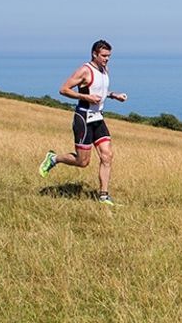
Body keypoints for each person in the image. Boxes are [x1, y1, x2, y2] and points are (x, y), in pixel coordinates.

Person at [39, 39, 128, 205]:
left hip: (98, 118)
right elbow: (63, 89)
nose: (107, 59)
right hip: (83, 118)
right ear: (94, 54)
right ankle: (54, 158)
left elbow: (99, 89)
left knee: (107, 156)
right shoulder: (84, 70)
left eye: (109, 56)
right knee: (83, 162)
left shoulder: (104, 69)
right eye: (103, 56)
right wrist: (84, 97)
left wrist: (113, 95)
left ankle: (103, 196)